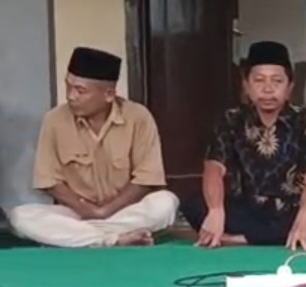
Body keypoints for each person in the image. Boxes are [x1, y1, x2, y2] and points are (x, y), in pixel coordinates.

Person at [8, 47, 179, 247]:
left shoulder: (138, 117)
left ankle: (80, 237)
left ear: (108, 95)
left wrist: (105, 212)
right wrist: (87, 210)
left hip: (124, 211)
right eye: (68, 86)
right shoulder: (54, 120)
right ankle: (113, 238)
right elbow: (49, 181)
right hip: (76, 213)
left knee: (166, 203)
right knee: (20, 217)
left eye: (80, 90)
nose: (71, 96)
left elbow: (146, 179)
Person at [180, 41, 306, 249]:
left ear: (289, 87)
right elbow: (214, 167)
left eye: (277, 81)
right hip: (246, 208)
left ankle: (241, 238)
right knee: (193, 204)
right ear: (246, 85)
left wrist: (305, 215)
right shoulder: (230, 120)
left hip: (290, 209)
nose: (267, 89)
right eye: (259, 80)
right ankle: (270, 236)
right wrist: (216, 210)